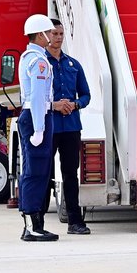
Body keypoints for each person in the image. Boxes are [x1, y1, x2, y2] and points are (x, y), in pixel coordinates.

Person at [45, 20, 91, 235]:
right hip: (49, 126)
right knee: (43, 172)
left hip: (71, 126)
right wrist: (54, 105)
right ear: (47, 36)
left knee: (71, 173)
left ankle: (76, 221)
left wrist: (76, 104)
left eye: (61, 33)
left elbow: (86, 94)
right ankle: (37, 221)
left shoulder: (73, 64)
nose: (59, 37)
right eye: (55, 33)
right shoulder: (40, 63)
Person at [18, 13, 58, 242]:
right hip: (37, 116)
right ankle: (34, 226)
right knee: (37, 171)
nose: (51, 37)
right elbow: (38, 97)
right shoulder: (39, 61)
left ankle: (32, 224)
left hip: (34, 115)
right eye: (49, 33)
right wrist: (40, 128)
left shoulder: (29, 57)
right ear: (40, 34)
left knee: (34, 170)